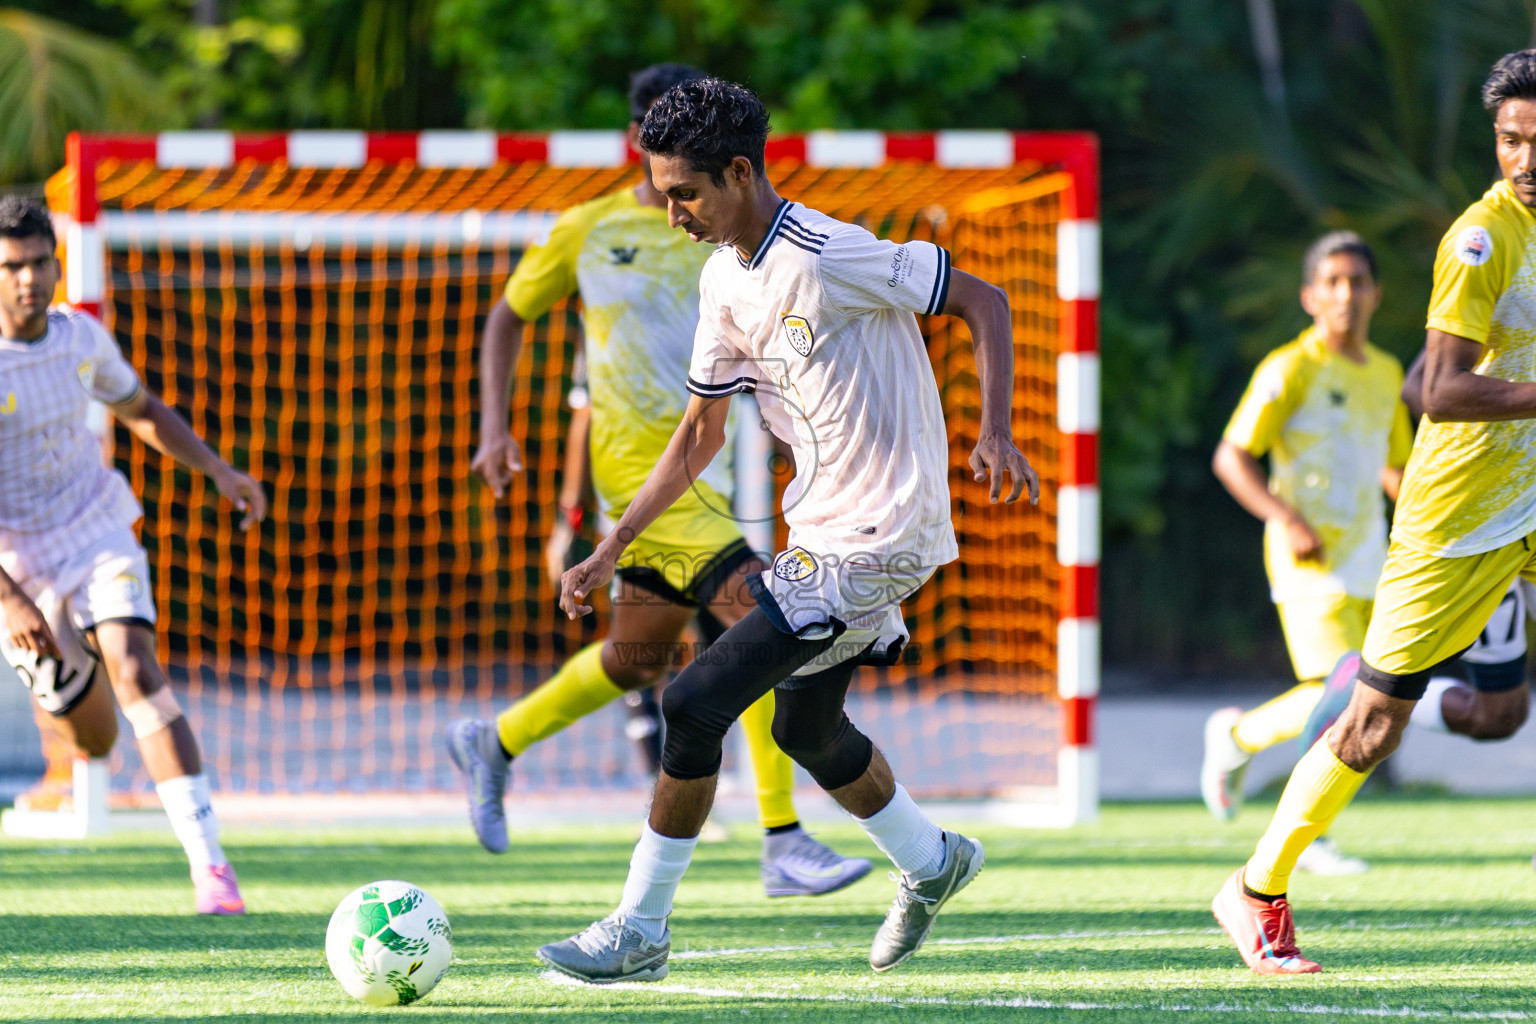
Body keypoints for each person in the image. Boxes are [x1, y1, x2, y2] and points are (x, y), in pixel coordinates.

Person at [535, 75, 1039, 983]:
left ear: (738, 171)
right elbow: (698, 433)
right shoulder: (723, 280)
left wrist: (993, 430)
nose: (670, 209)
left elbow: (985, 302)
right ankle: (934, 863)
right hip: (823, 533)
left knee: (692, 703)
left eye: (684, 191)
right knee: (808, 731)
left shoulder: (832, 252)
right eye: (659, 190)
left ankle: (640, 928)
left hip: (884, 531)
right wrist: (609, 548)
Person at [446, 63, 870, 896]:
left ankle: (493, 741)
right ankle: (783, 839)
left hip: (701, 467)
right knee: (762, 620)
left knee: (636, 656)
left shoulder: (728, 238)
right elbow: (508, 314)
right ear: (639, 141)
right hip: (640, 470)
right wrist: (495, 427)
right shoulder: (587, 230)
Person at [1213, 49, 1536, 975]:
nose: (1523, 159)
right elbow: (1438, 387)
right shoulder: (1481, 240)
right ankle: (1257, 889)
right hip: (1459, 515)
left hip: (1530, 497)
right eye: (1510, 142)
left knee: (1500, 710)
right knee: (1370, 724)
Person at [0, 196, 266, 913]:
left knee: (137, 668)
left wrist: (217, 469)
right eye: (11, 267)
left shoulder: (81, 337)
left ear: (57, 264)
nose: (28, 279)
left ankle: (210, 866)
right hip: (14, 563)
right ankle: (66, 682)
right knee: (94, 736)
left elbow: (142, 408)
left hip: (95, 526)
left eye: (38, 263)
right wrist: (9, 599)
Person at [1202, 231, 1412, 876]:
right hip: (1308, 562)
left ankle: (1238, 737)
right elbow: (1231, 456)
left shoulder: (1385, 373)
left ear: (1376, 294)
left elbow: (1396, 467)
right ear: (1310, 296)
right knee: (1340, 690)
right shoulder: (1289, 368)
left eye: (1357, 282)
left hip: (1369, 558)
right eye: (1333, 283)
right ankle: (1306, 834)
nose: (1346, 295)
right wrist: (1285, 518)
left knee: (1368, 697)